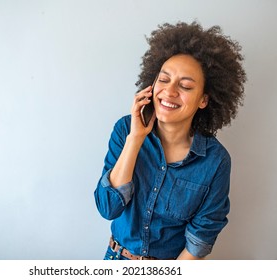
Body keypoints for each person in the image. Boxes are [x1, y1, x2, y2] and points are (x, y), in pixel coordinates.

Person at [94, 21, 246, 260]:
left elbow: (200, 240)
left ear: (204, 100)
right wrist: (135, 139)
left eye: (185, 85)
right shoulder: (125, 130)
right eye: (163, 80)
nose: (170, 91)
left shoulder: (216, 161)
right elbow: (108, 207)